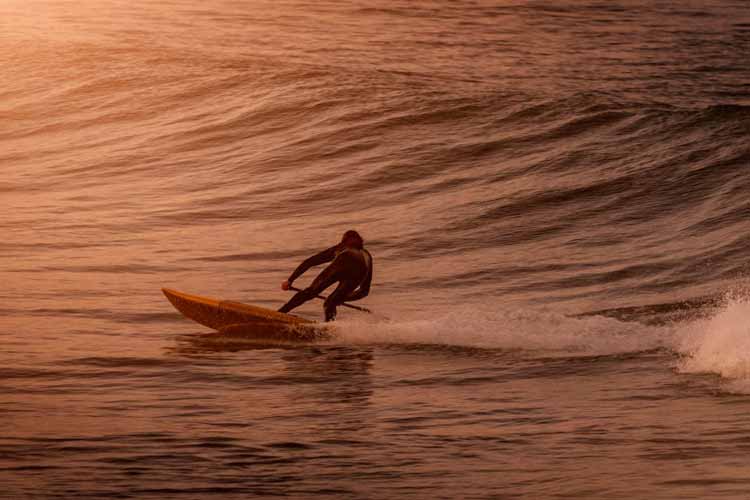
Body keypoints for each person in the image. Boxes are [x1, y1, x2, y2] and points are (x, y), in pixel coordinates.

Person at [279, 230, 372, 321]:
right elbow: (364, 291)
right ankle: (329, 328)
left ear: (344, 241)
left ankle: (280, 313)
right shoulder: (367, 256)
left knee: (310, 292)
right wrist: (342, 298)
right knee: (330, 303)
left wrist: (290, 280)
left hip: (342, 262)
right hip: (359, 273)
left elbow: (310, 262)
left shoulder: (341, 248)